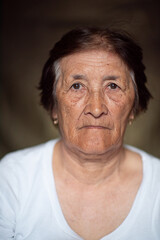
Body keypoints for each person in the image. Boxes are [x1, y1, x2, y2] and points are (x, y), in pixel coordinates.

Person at [0, 27, 160, 240]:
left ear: (134, 108)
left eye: (113, 86)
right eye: (77, 86)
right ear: (53, 107)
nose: (95, 108)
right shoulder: (11, 179)